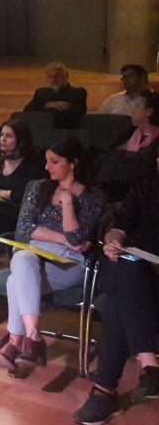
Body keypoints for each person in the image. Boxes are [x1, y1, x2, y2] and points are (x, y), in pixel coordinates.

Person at [0, 137, 106, 372]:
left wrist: (67, 201)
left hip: (69, 263)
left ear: (73, 163)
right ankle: (32, 337)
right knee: (23, 259)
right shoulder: (39, 188)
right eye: (47, 161)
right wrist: (62, 239)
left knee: (15, 280)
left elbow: (77, 238)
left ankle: (16, 342)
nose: (47, 167)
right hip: (34, 253)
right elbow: (25, 228)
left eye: (54, 162)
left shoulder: (94, 197)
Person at [71, 164, 159, 424]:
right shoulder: (148, 184)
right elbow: (119, 225)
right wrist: (114, 241)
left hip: (144, 278)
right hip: (140, 271)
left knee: (114, 301)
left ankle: (105, 391)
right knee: (121, 268)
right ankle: (149, 364)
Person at [0, 119, 46, 234]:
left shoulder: (34, 164)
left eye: (9, 136)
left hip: (17, 213)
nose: (3, 139)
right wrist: (5, 195)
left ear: (21, 141)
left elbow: (23, 195)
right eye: (2, 135)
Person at [97, 91, 159, 202]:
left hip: (142, 192)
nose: (132, 111)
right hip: (115, 185)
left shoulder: (156, 138)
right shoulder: (128, 132)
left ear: (149, 111)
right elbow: (109, 153)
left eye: (137, 107)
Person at [24, 62, 88, 129]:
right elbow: (27, 111)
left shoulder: (78, 92)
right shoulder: (41, 93)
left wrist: (47, 109)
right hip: (44, 131)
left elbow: (75, 114)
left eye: (58, 75)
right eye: (50, 77)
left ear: (66, 75)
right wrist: (47, 105)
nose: (54, 80)